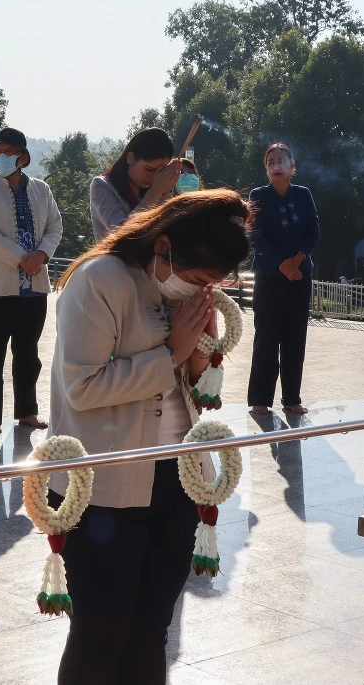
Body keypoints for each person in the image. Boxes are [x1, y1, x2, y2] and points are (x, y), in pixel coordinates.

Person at [48, 189, 251, 685]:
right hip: (105, 488)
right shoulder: (100, 280)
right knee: (101, 631)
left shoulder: (178, 290)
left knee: (150, 630)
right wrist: (176, 352)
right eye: (198, 279)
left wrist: (199, 355)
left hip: (177, 479)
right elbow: (83, 386)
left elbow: (190, 387)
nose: (199, 290)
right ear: (163, 246)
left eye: (212, 283)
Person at [0, 126, 63, 435]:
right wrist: (23, 257)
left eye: (8, 152)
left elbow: (55, 227)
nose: (1, 157)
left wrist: (42, 255)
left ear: (23, 157)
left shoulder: (40, 190)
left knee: (28, 355)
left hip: (33, 289)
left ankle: (27, 411)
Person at [247, 143, 319, 416]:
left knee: (295, 336)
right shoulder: (258, 195)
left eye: (281, 161)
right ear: (266, 169)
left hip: (300, 274)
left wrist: (297, 260)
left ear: (293, 166)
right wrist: (283, 265)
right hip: (268, 274)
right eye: (270, 162)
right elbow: (256, 236)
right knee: (266, 335)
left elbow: (313, 231)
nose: (276, 166)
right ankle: (260, 399)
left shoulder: (303, 195)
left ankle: (292, 398)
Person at [90, 127, 180, 241]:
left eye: (160, 172)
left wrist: (166, 193)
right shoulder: (101, 186)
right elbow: (122, 234)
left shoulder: (160, 190)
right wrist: (155, 191)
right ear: (130, 158)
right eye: (149, 169)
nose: (154, 178)